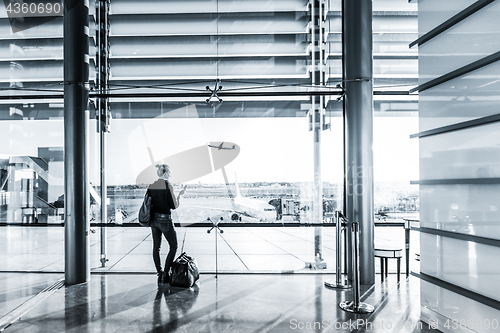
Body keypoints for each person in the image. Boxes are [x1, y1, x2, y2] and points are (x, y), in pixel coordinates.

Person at [147, 164, 186, 284]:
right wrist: (179, 195)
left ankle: (160, 273)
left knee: (156, 247)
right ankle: (166, 272)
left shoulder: (151, 186)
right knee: (173, 246)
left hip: (153, 220)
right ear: (165, 174)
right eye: (169, 173)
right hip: (165, 220)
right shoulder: (168, 185)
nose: (170, 175)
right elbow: (173, 206)